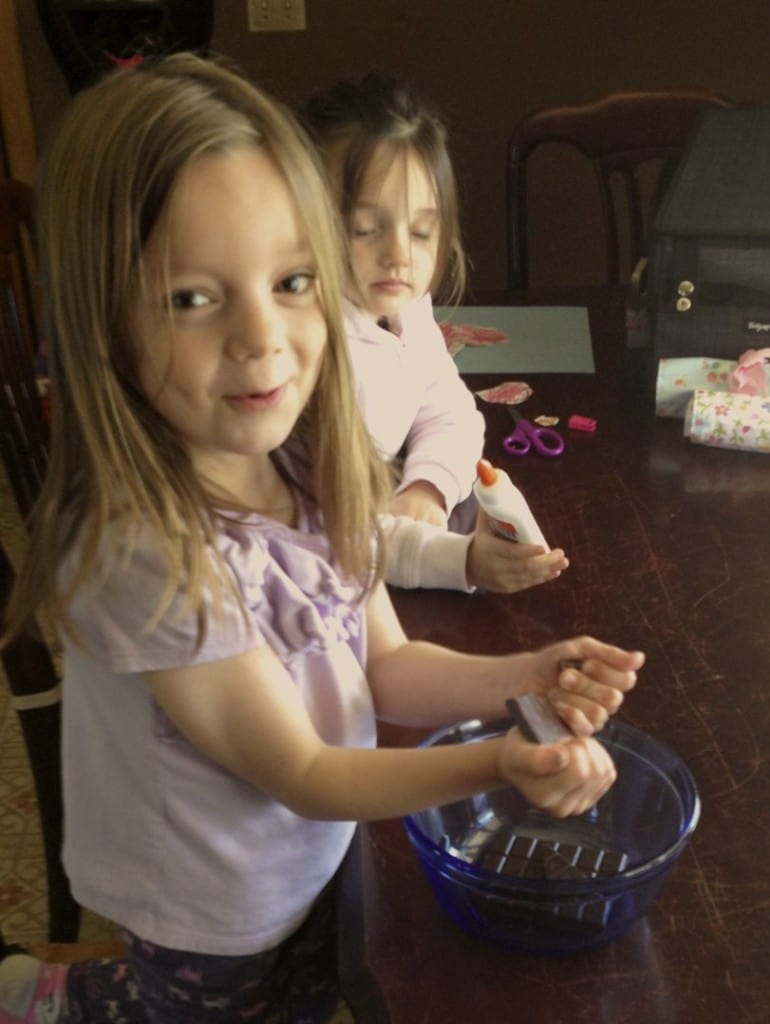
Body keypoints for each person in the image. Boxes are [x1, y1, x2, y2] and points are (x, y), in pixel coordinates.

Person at [0, 53, 643, 1024]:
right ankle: (54, 998)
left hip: (315, 859)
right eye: (191, 296)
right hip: (207, 902)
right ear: (104, 319)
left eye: (291, 279)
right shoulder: (148, 552)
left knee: (304, 998)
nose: (263, 340)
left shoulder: (302, 458)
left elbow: (386, 664)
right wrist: (495, 759)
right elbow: (302, 772)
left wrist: (524, 673)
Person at [301, 72, 569, 594]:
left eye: (422, 230)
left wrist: (427, 487)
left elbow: (450, 410)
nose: (400, 254)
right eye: (364, 228)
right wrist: (459, 562)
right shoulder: (302, 348)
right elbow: (323, 534)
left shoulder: (406, 308)